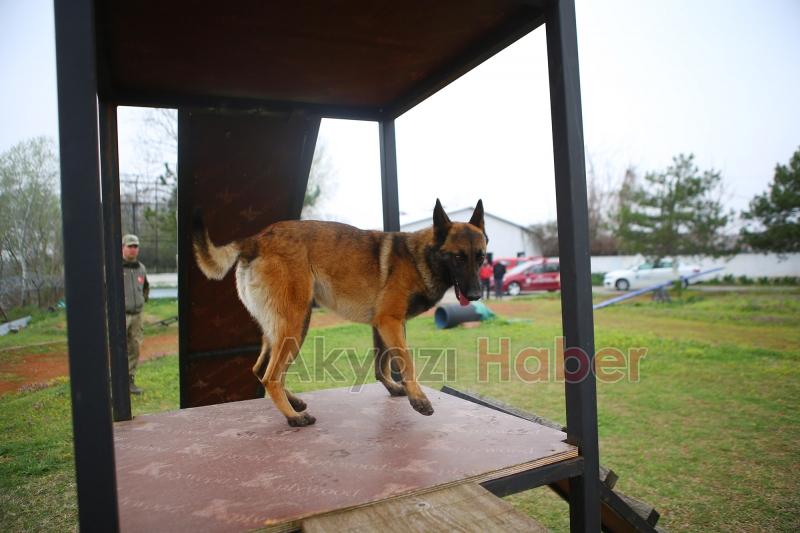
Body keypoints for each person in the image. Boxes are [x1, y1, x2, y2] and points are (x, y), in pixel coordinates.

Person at [122, 234, 149, 395]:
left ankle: (129, 381)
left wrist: (141, 300)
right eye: (130, 246)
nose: (133, 249)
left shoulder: (141, 268)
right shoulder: (112, 267)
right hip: (120, 315)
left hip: (137, 316)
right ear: (122, 247)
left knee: (134, 347)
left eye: (135, 246)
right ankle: (115, 382)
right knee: (117, 348)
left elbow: (145, 287)